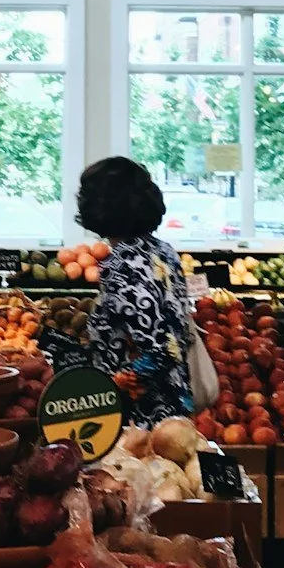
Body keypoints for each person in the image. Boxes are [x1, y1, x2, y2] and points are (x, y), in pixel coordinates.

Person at [77, 155, 193, 422]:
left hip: (141, 417)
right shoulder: (164, 252)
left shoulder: (123, 265)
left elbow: (159, 350)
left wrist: (111, 384)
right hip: (174, 405)